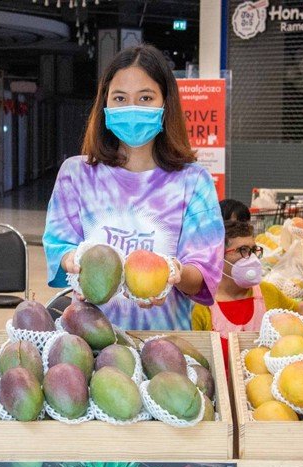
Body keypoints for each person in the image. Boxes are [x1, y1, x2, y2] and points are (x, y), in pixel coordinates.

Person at [43, 44, 224, 331]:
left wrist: (175, 273)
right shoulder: (76, 175)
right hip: (90, 340)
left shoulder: (193, 181)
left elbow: (203, 271)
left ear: (166, 104)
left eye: (145, 97)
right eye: (120, 98)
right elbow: (58, 245)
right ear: (105, 105)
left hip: (166, 345)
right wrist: (73, 260)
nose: (132, 108)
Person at [192, 220, 303, 368]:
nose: (251, 258)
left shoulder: (267, 292)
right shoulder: (203, 307)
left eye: (253, 250)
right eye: (243, 250)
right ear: (218, 257)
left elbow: (299, 310)